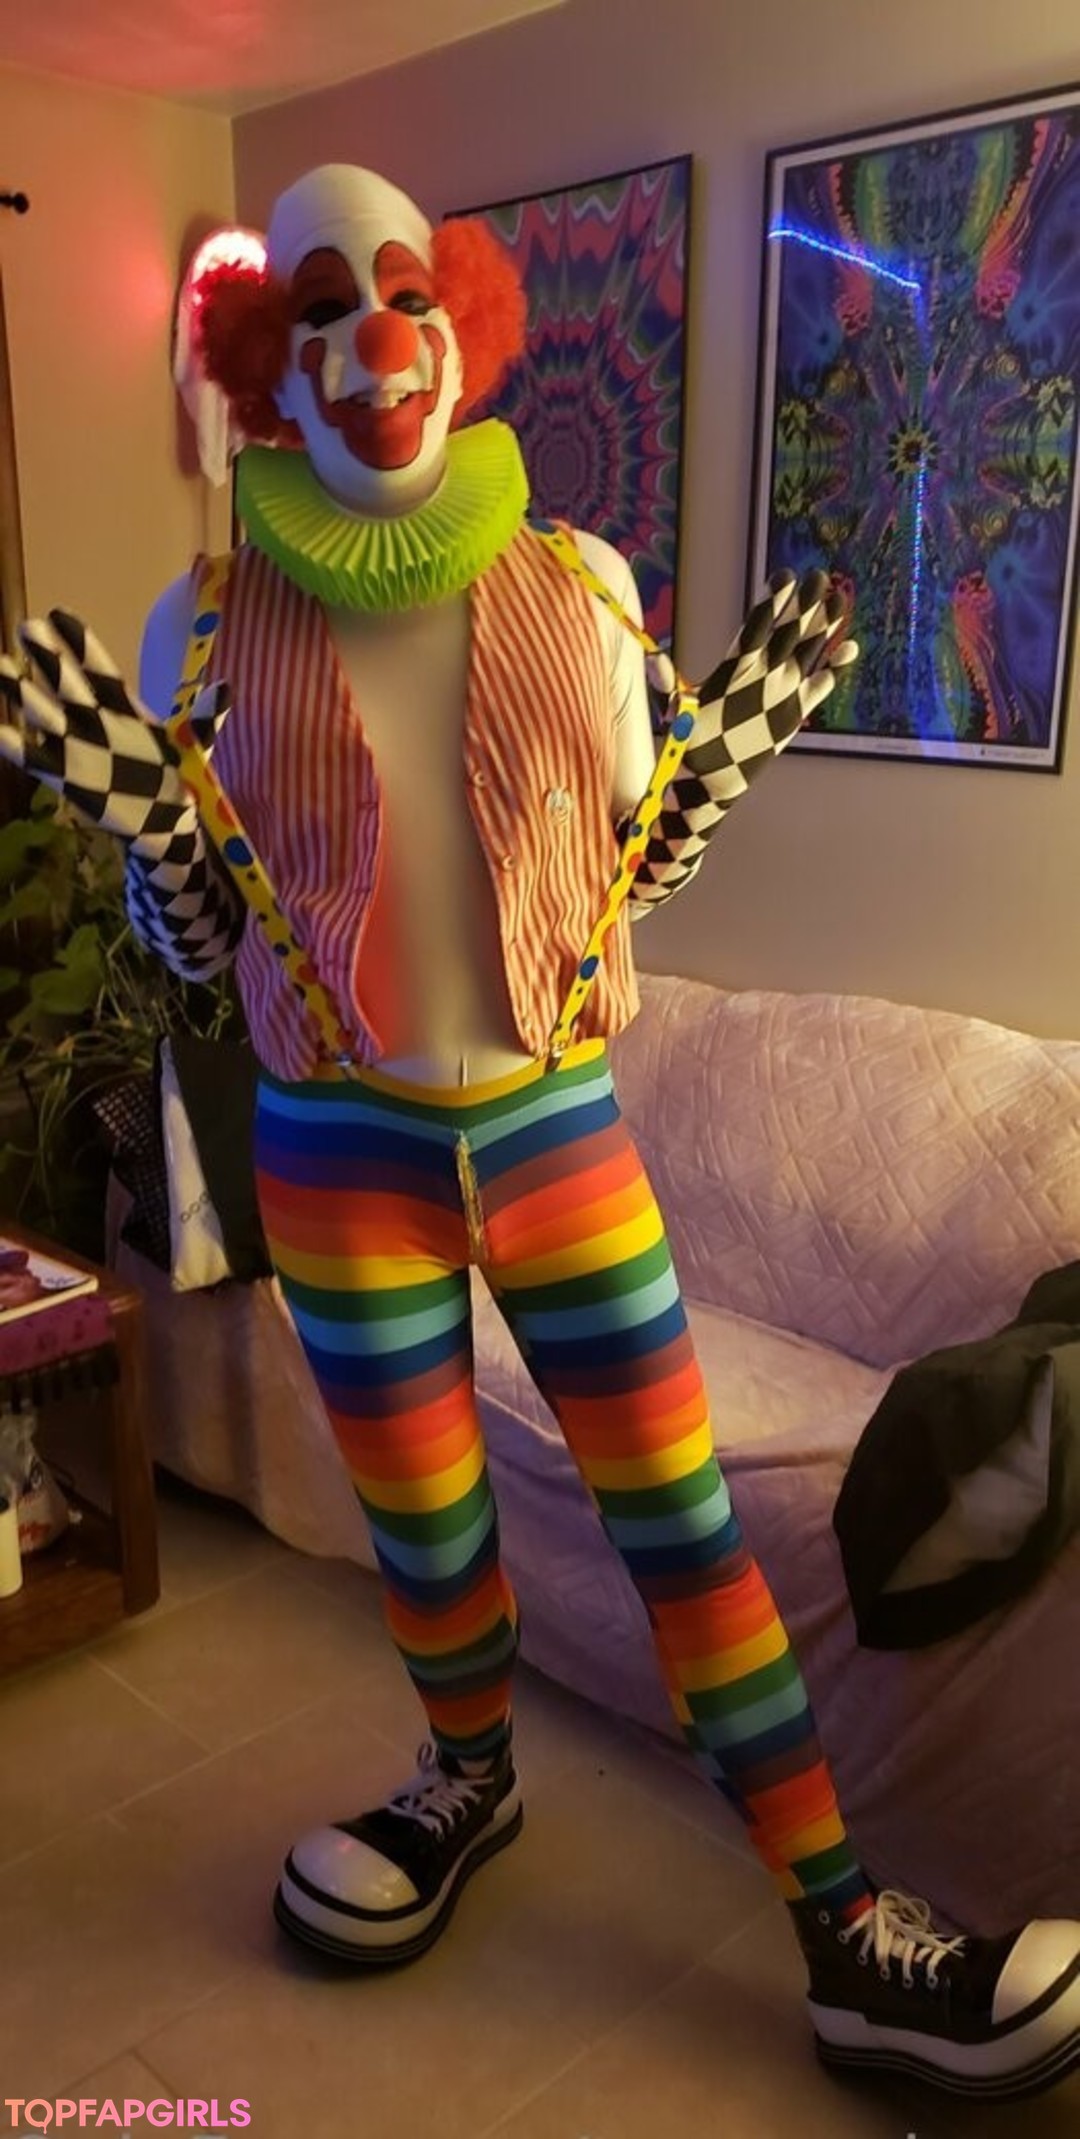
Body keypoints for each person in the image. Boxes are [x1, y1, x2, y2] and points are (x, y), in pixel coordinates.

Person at [1, 163, 1078, 2103]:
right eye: (317, 309)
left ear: (461, 321)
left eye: (404, 292)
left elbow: (629, 865)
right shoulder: (203, 625)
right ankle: (467, 1777)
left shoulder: (580, 584)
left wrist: (710, 772)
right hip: (338, 1155)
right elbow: (204, 951)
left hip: (561, 1124)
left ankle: (848, 1931)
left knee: (688, 1532)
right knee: (427, 1533)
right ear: (267, 367)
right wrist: (152, 837)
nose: (371, 336)